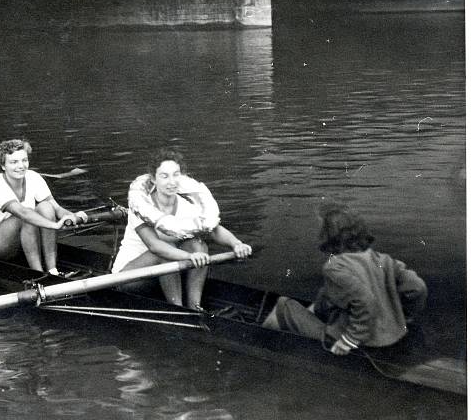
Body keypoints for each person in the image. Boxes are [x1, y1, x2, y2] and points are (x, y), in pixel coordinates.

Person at [261, 204, 428, 355]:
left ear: (328, 235)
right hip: (395, 336)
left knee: (282, 306)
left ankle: (261, 350)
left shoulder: (335, 267)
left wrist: (349, 340)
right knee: (325, 301)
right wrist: (405, 316)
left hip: (362, 345)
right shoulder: (382, 259)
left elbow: (365, 300)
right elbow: (417, 287)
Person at [112, 148, 252, 310]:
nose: (171, 182)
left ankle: (194, 306)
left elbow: (214, 229)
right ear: (153, 179)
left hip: (164, 276)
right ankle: (178, 309)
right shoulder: (141, 207)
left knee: (198, 245)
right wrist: (189, 256)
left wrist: (236, 244)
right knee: (167, 251)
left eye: (176, 175)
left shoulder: (186, 205)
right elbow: (155, 246)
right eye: (164, 176)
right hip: (130, 278)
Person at [0, 139, 88, 275]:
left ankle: (52, 270)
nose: (21, 166)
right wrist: (55, 226)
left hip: (22, 239)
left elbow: (56, 208)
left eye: (24, 160)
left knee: (46, 207)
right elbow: (23, 213)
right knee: (26, 217)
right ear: (3, 166)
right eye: (14, 162)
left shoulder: (34, 177)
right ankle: (38, 273)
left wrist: (73, 216)